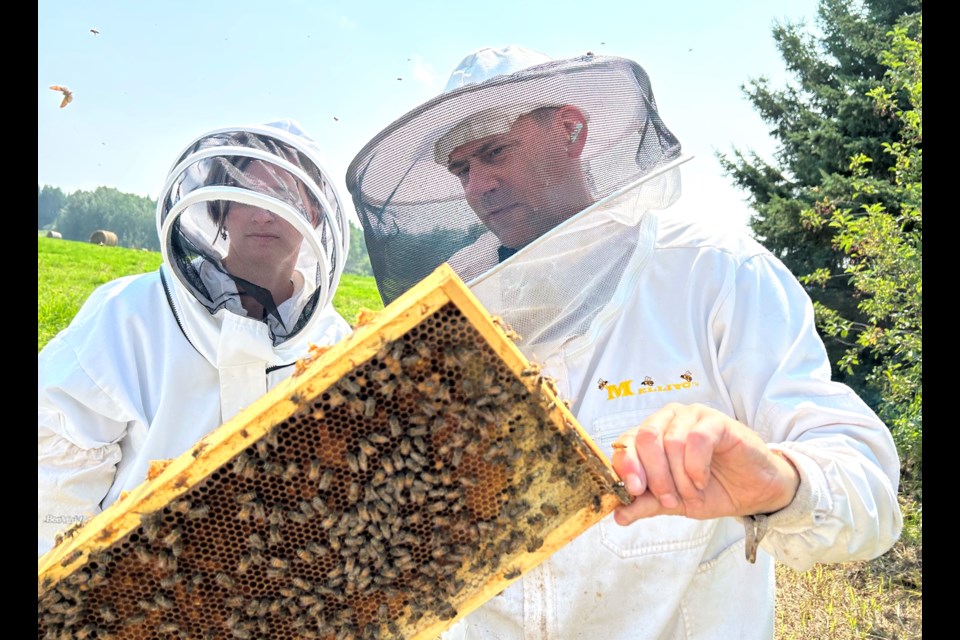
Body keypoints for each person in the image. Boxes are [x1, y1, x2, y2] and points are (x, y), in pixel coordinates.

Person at [345, 46, 903, 638]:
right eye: (462, 169)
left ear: (570, 130)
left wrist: (779, 481)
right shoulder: (448, 320)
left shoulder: (713, 272)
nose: (478, 184)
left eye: (494, 152)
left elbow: (867, 491)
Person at [38, 120, 352, 556]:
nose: (263, 213)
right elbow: (55, 457)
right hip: (135, 581)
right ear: (219, 207)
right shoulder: (129, 312)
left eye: (281, 196)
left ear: (314, 213)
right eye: (247, 196)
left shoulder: (338, 344)